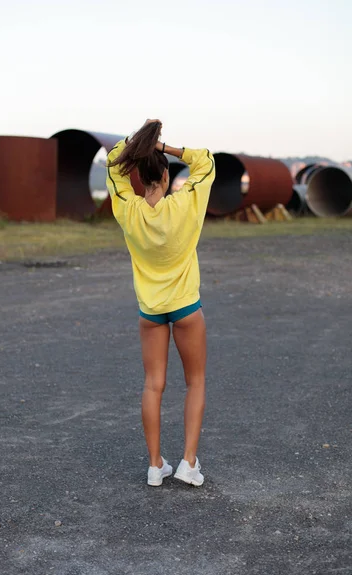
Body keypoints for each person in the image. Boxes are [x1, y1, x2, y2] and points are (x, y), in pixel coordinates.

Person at [106, 119, 215, 487]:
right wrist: (164, 147)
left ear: (140, 178)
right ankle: (188, 463)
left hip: (149, 312)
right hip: (186, 307)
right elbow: (206, 162)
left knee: (153, 384)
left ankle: (155, 466)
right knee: (195, 381)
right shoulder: (186, 204)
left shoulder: (129, 209)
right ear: (166, 178)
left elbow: (111, 162)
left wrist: (137, 145)